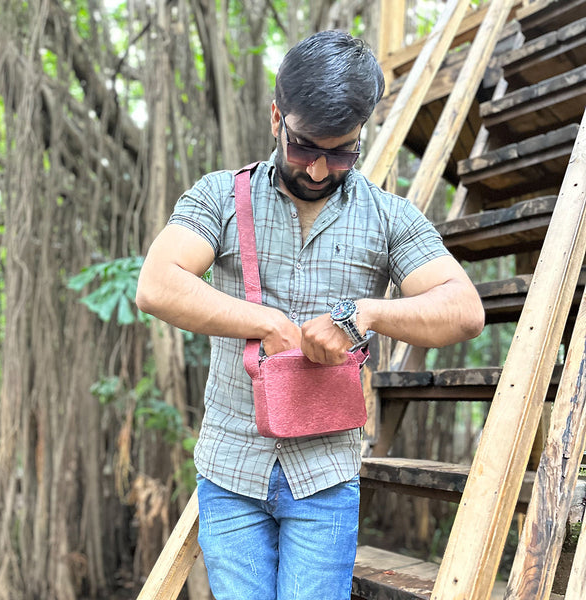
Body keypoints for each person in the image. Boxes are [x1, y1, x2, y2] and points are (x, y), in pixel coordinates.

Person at [136, 29, 484, 600]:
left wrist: (363, 314)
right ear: (277, 118)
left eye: (341, 151)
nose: (319, 170)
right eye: (304, 148)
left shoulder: (388, 215)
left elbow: (464, 309)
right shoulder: (220, 197)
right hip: (231, 470)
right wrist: (266, 322)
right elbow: (157, 284)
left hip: (326, 476)